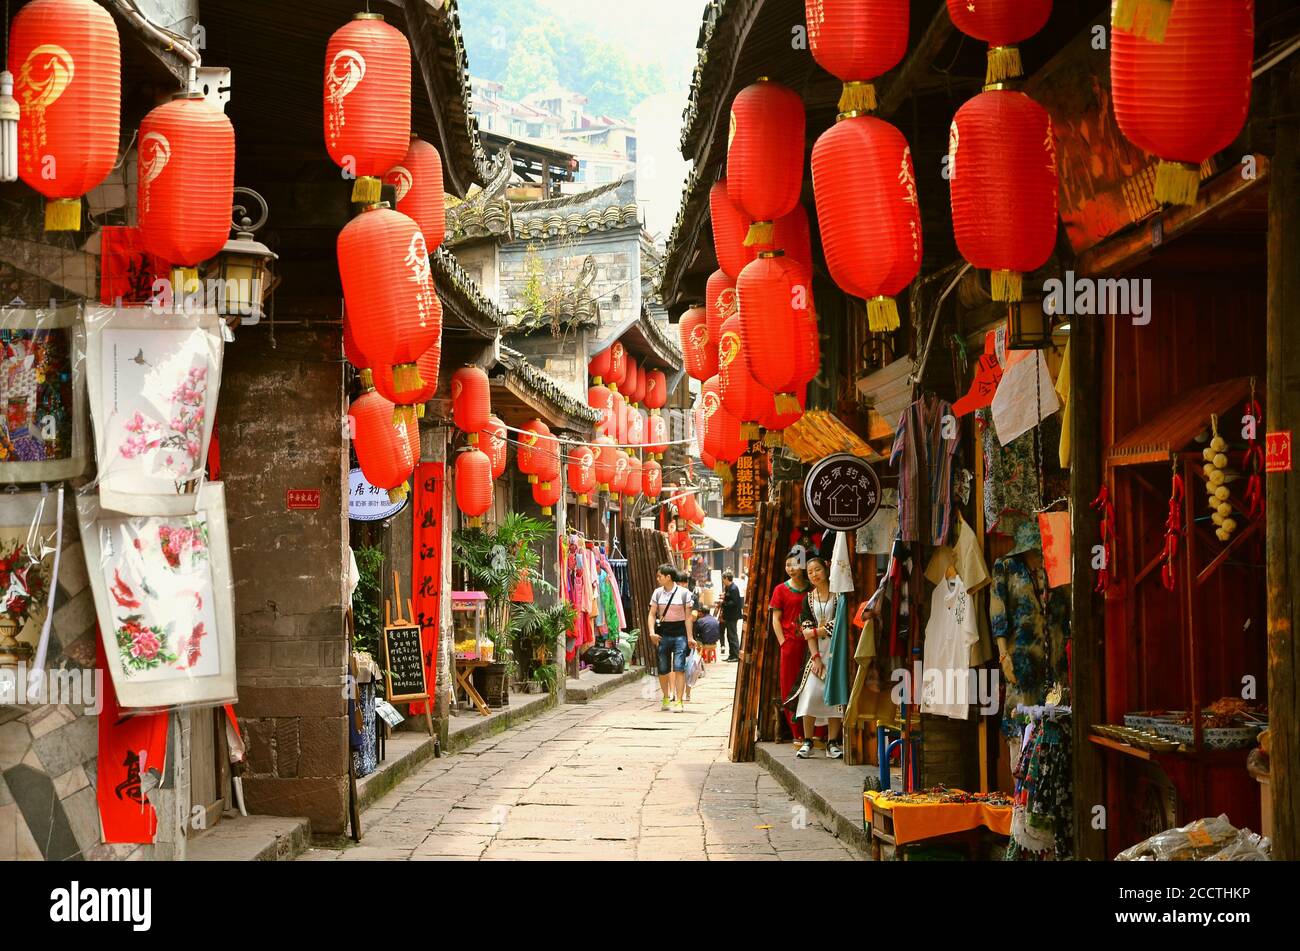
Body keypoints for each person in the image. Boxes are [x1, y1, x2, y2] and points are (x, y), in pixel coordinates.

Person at [788, 556, 845, 759]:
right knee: (810, 694)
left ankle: (832, 742)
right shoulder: (808, 599)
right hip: (817, 654)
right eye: (810, 571)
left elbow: (838, 624)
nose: (814, 575)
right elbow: (806, 630)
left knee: (834, 698)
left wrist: (815, 631)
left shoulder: (838, 596)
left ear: (826, 569)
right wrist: (815, 658)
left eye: (817, 570)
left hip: (835, 652)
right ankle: (808, 740)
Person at [769, 552, 810, 744]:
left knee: (811, 685)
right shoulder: (780, 590)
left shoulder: (811, 588)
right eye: (788, 565)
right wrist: (783, 642)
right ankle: (797, 732)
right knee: (790, 686)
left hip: (812, 642)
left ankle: (816, 731)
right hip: (790, 643)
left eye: (794, 565)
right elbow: (775, 619)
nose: (791, 569)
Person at [647, 563, 695, 713]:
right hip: (664, 633)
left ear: (668, 577)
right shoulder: (657, 593)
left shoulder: (684, 593)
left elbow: (688, 617)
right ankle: (666, 697)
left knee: (679, 667)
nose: (658, 578)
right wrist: (651, 632)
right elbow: (652, 614)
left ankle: (679, 701)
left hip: (680, 633)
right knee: (663, 668)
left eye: (659, 576)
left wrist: (690, 637)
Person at [718, 570, 744, 662]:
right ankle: (731, 655)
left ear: (726, 578)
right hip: (729, 615)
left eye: (723, 579)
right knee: (729, 635)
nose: (722, 581)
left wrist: (723, 603)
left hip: (732, 616)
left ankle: (736, 655)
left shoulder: (733, 588)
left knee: (732, 635)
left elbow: (734, 602)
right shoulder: (728, 587)